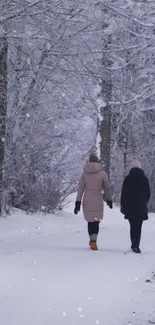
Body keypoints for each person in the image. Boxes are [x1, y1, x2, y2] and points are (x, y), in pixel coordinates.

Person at [74, 153, 113, 250]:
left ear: (89, 161)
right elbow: (107, 187)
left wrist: (77, 202)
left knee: (90, 221)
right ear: (97, 161)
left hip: (87, 199)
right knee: (96, 221)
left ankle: (91, 240)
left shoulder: (85, 174)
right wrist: (109, 199)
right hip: (97, 198)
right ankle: (94, 240)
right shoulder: (102, 173)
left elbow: (80, 189)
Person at [120, 160, 150, 253]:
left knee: (132, 226)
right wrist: (144, 201)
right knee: (138, 226)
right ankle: (136, 244)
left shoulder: (128, 179)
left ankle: (133, 244)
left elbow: (123, 193)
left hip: (130, 206)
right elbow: (148, 193)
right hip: (141, 206)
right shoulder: (144, 179)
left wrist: (123, 205)